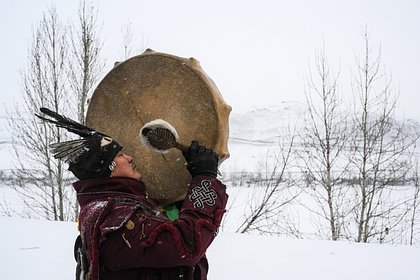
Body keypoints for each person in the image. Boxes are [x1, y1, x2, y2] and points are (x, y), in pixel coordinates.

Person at [36, 107, 228, 280]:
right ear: (107, 169)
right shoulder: (114, 218)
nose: (129, 157)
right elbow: (187, 245)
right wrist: (205, 177)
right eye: (119, 155)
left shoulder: (114, 206)